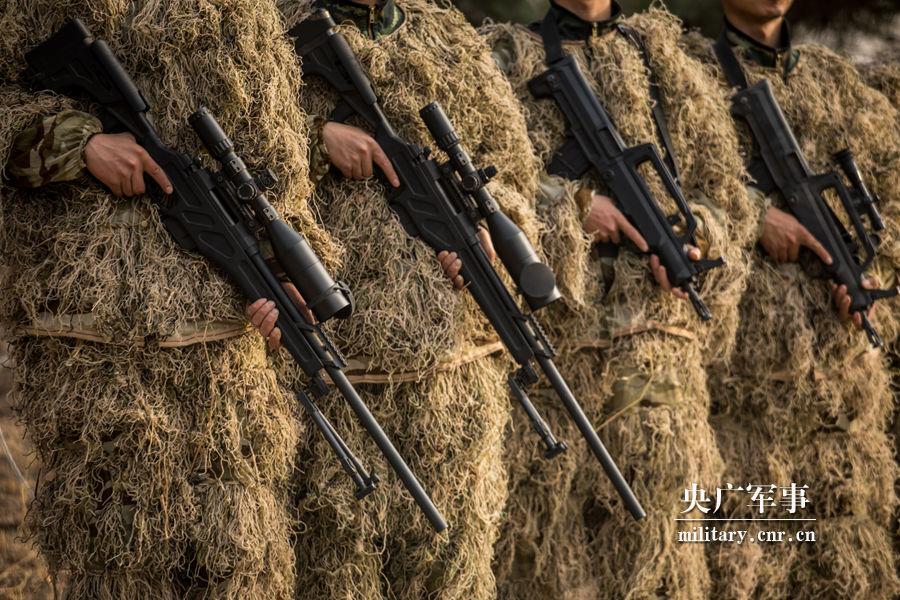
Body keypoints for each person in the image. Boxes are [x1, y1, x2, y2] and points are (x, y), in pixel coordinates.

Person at [0, 1, 331, 597]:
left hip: (226, 361)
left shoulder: (242, 14)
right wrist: (82, 143)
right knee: (118, 557)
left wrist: (287, 277)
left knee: (234, 562)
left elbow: (279, 162)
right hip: (94, 347)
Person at [249, 1, 548, 598]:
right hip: (338, 376)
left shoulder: (448, 37)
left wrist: (490, 226)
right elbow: (233, 158)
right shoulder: (269, 29)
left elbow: (513, 172)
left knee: (450, 571)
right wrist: (317, 136)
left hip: (451, 386)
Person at [480, 1, 754, 598]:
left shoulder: (662, 62)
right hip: (554, 361)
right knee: (539, 558)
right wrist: (575, 202)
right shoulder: (504, 55)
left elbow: (725, 190)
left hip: (657, 372)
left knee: (657, 557)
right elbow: (482, 178)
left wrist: (692, 231)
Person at [685, 1, 900, 597]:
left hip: (839, 413)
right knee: (738, 570)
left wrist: (873, 285)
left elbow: (891, 207)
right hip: (736, 406)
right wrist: (756, 216)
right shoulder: (683, 73)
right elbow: (674, 189)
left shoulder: (839, 88)